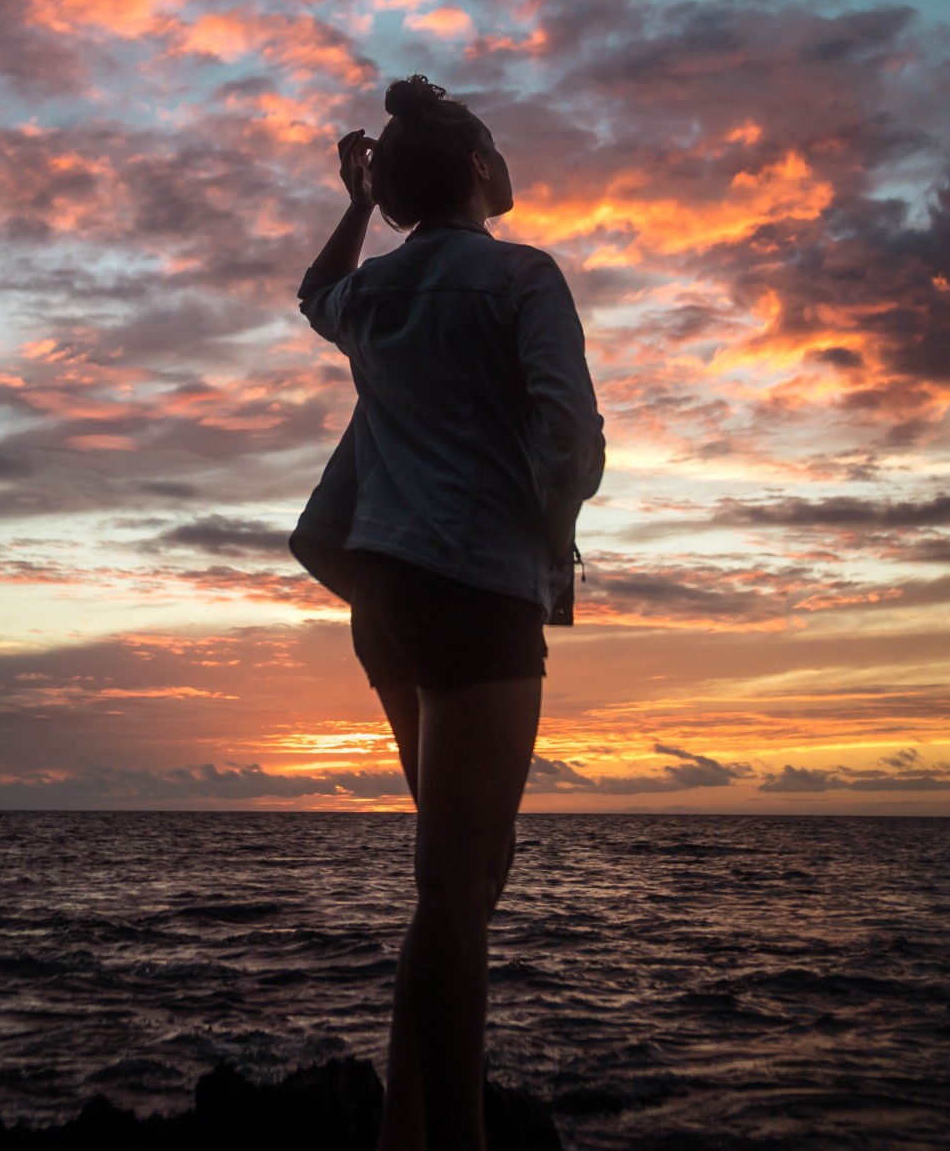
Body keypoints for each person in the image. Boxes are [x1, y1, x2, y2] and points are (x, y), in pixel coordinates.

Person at [296, 74, 605, 1151]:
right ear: (477, 165)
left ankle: (405, 1124)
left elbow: (316, 292)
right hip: (475, 594)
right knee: (455, 882)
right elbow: (572, 439)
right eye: (498, 147)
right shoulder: (522, 275)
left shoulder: (374, 293)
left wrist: (354, 205)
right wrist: (551, 516)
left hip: (384, 598)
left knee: (463, 878)